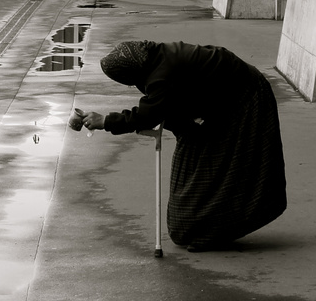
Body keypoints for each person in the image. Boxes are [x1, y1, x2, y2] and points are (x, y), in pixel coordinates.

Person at [73, 41, 287, 251]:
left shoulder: (162, 73)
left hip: (246, 98)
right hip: (226, 99)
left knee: (230, 169)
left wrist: (106, 121)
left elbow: (149, 113)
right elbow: (168, 102)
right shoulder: (153, 59)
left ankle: (213, 230)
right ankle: (199, 226)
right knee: (202, 162)